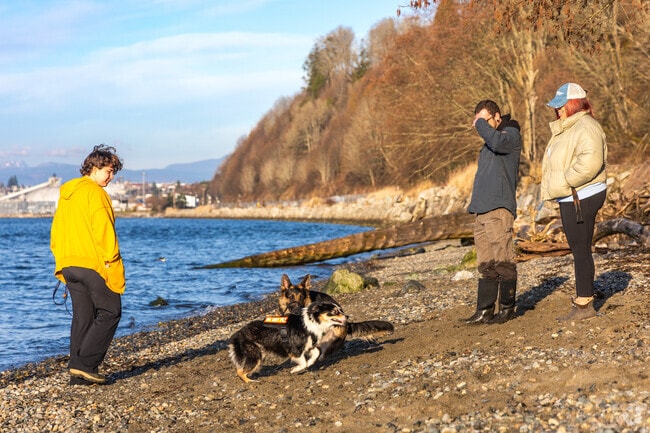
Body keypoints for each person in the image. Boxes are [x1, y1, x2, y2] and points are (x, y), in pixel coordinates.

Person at [50, 144, 125, 385]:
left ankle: (78, 373)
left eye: (113, 172)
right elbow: (104, 230)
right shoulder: (96, 193)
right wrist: (112, 261)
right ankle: (85, 364)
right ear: (93, 167)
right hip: (92, 263)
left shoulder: (66, 195)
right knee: (111, 311)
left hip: (69, 263)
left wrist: (61, 261)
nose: (111, 177)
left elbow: (56, 232)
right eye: (109, 171)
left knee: (83, 316)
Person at [541, 83, 607, 321]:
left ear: (573, 104)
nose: (557, 110)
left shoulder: (585, 126)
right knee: (580, 248)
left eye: (561, 106)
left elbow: (590, 163)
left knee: (580, 250)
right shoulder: (570, 127)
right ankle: (586, 294)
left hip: (581, 194)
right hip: (573, 194)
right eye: (556, 106)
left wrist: (565, 180)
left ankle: (583, 306)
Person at [463, 100, 522, 325]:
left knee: (503, 259)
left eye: (485, 120)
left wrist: (480, 124)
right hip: (481, 209)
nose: (481, 127)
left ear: (497, 116)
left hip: (499, 208)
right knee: (486, 262)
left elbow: (497, 142)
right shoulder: (490, 140)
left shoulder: (510, 134)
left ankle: (507, 307)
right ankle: (485, 309)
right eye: (477, 122)